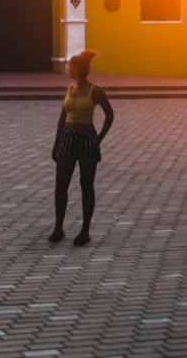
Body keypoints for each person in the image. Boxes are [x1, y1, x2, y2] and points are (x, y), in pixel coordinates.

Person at [49, 50, 114, 246]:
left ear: (78, 69)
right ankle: (58, 228)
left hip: (87, 140)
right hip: (67, 139)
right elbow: (62, 118)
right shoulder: (69, 89)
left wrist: (98, 139)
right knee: (61, 185)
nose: (68, 69)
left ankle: (85, 230)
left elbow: (110, 115)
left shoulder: (95, 90)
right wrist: (56, 143)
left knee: (86, 185)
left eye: (71, 66)